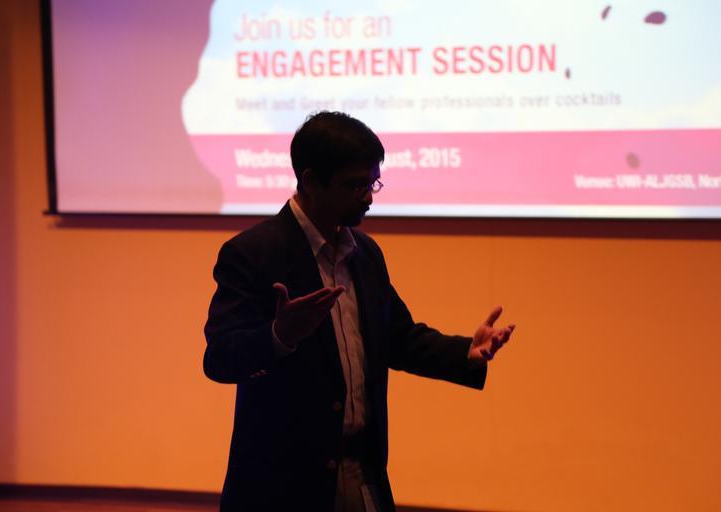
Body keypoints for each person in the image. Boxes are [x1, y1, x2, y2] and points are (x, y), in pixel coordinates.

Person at [203, 111, 515, 511]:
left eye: (373, 184)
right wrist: (278, 337)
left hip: (362, 477)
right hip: (283, 490)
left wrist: (464, 352)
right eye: (355, 185)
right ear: (310, 181)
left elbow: (397, 337)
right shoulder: (252, 254)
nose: (368, 197)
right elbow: (219, 359)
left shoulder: (364, 254)